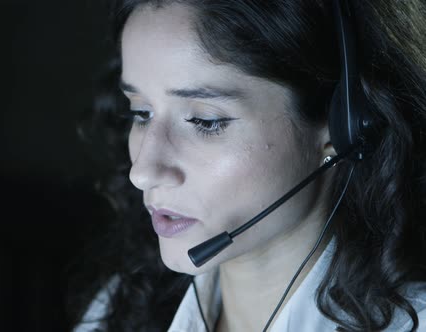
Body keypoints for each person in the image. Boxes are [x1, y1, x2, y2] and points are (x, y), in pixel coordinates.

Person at [66, 0, 426, 331]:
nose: (142, 172)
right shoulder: (115, 312)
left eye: (205, 121)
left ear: (342, 126)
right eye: (141, 113)